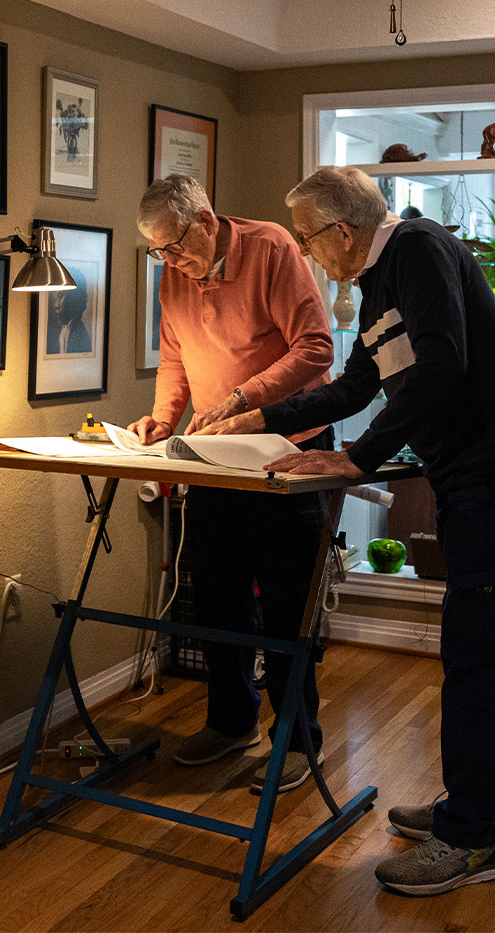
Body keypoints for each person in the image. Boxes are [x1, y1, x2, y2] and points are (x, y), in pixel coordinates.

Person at [195, 166, 495, 895]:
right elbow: (356, 386)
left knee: (480, 654)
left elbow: (444, 365)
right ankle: (484, 811)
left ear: (343, 230)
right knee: (475, 650)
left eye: (307, 239)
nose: (307, 254)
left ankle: (470, 839)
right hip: (471, 476)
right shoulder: (377, 287)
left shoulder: (419, 249)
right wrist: (257, 417)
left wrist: (358, 454)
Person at [129, 174, 335, 791]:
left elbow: (316, 350)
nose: (170, 261)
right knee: (215, 593)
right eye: (157, 252)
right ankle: (231, 720)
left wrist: (248, 397)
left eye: (174, 247)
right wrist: (163, 419)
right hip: (214, 452)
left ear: (206, 220)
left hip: (286, 447)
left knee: (284, 603)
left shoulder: (271, 249)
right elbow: (175, 356)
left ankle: (298, 740)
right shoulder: (175, 273)